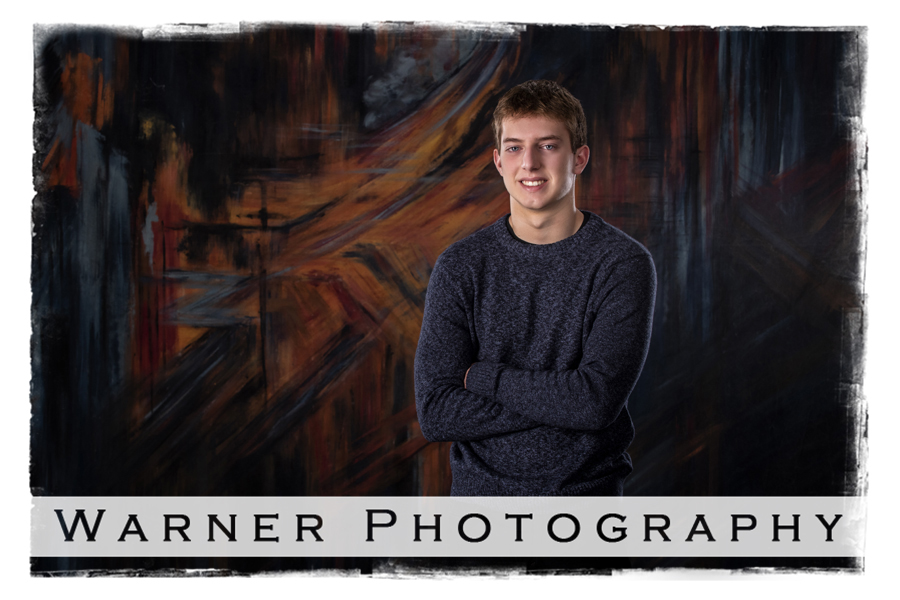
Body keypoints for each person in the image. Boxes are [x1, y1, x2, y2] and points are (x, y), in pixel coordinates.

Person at [414, 80, 656, 496]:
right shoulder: (461, 266)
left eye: (547, 146)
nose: (529, 163)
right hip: (477, 518)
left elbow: (596, 403)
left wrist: (485, 378)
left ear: (579, 158)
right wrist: (567, 399)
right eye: (514, 147)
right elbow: (437, 412)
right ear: (497, 161)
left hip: (586, 513)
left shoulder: (622, 263)